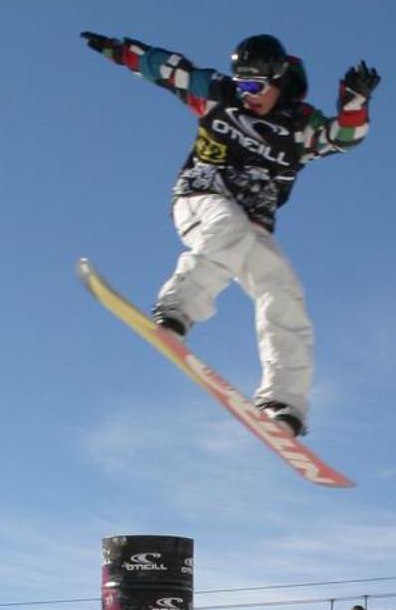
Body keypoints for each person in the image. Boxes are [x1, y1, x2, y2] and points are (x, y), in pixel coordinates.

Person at [80, 29, 380, 438]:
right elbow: (166, 69)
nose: (247, 95)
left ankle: (284, 403)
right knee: (227, 228)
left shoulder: (299, 128)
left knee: (283, 290)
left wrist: (355, 105)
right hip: (200, 198)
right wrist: (117, 49)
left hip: (253, 225)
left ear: (279, 83)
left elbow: (345, 138)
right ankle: (177, 308)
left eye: (256, 86)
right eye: (242, 84)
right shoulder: (217, 95)